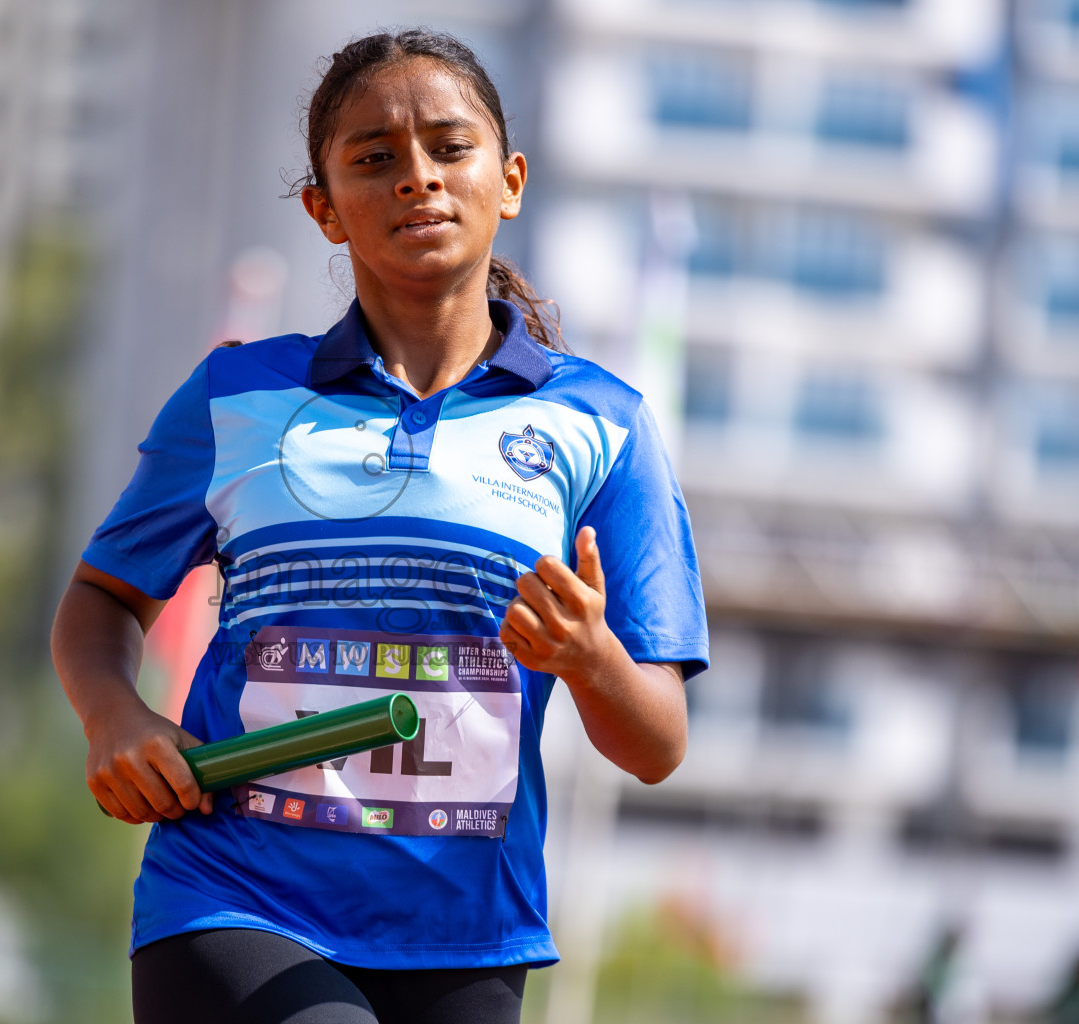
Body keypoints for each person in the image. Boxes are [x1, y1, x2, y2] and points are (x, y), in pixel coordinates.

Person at [52, 28, 709, 1024]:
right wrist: (113, 715)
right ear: (323, 209)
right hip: (236, 894)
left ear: (512, 179)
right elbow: (103, 600)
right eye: (374, 159)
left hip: (468, 932)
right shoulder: (236, 396)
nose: (417, 179)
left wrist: (587, 655)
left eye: (450, 148)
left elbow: (655, 742)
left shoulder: (603, 425)